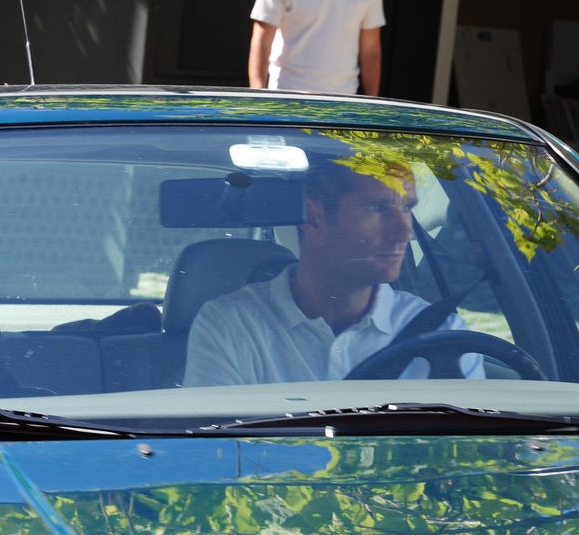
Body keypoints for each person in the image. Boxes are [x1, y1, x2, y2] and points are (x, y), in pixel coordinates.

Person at [183, 160, 484, 387]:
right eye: (379, 208)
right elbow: (218, 458)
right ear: (313, 216)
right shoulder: (233, 326)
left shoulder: (443, 334)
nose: (405, 232)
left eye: (407, 209)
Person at [248, 0, 385, 95]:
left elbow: (371, 53)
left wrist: (372, 108)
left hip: (342, 103)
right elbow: (261, 43)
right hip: (286, 98)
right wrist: (258, 99)